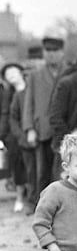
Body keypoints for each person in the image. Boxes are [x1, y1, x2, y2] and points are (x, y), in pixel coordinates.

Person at [23, 31, 67, 206]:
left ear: (62, 52)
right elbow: (29, 103)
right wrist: (30, 129)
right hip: (42, 130)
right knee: (42, 172)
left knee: (63, 172)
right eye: (48, 50)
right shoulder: (35, 75)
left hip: (64, 129)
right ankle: (42, 206)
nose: (51, 54)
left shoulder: (69, 71)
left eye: (55, 50)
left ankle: (62, 207)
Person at [2, 63, 29, 213]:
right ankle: (19, 198)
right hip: (15, 136)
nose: (10, 75)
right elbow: (7, 115)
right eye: (7, 74)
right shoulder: (8, 94)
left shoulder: (32, 87)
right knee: (18, 166)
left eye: (12, 71)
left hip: (33, 132)